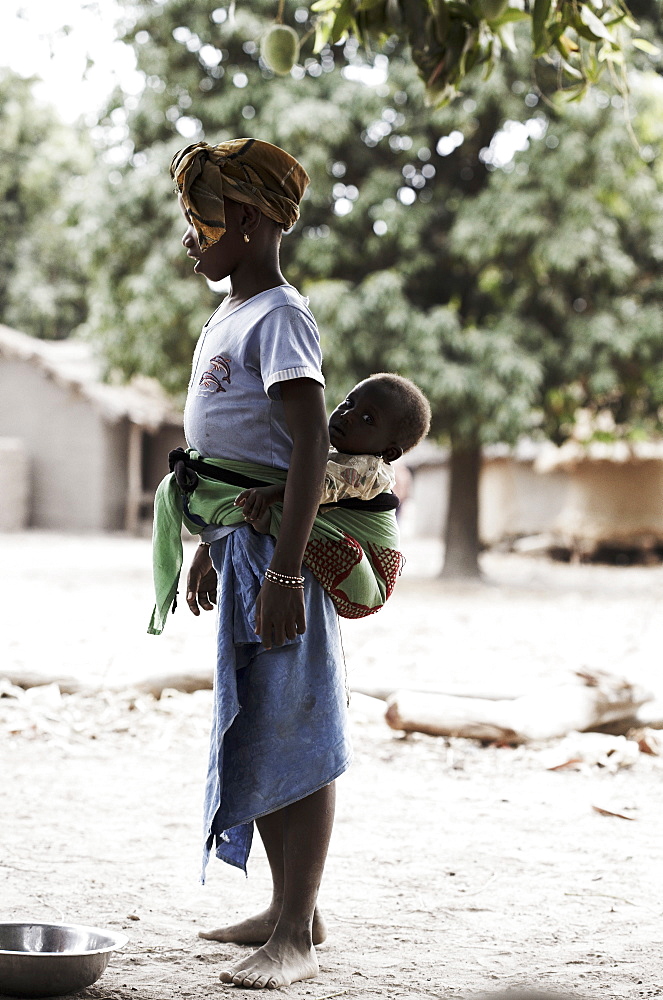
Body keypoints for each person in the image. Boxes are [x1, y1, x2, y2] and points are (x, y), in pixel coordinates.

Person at [167, 136, 348, 992]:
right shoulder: (229, 314)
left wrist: (281, 574)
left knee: (294, 733)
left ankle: (295, 937)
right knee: (260, 727)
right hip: (240, 547)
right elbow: (241, 454)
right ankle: (292, 911)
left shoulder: (278, 315)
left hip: (280, 561)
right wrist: (208, 543)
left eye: (198, 220)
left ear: (241, 219)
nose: (190, 237)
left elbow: (307, 447)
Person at [234, 373, 431, 533]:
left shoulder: (368, 470)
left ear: (389, 452)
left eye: (367, 418)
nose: (347, 415)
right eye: (349, 402)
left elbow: (316, 489)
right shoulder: (337, 451)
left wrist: (272, 493)